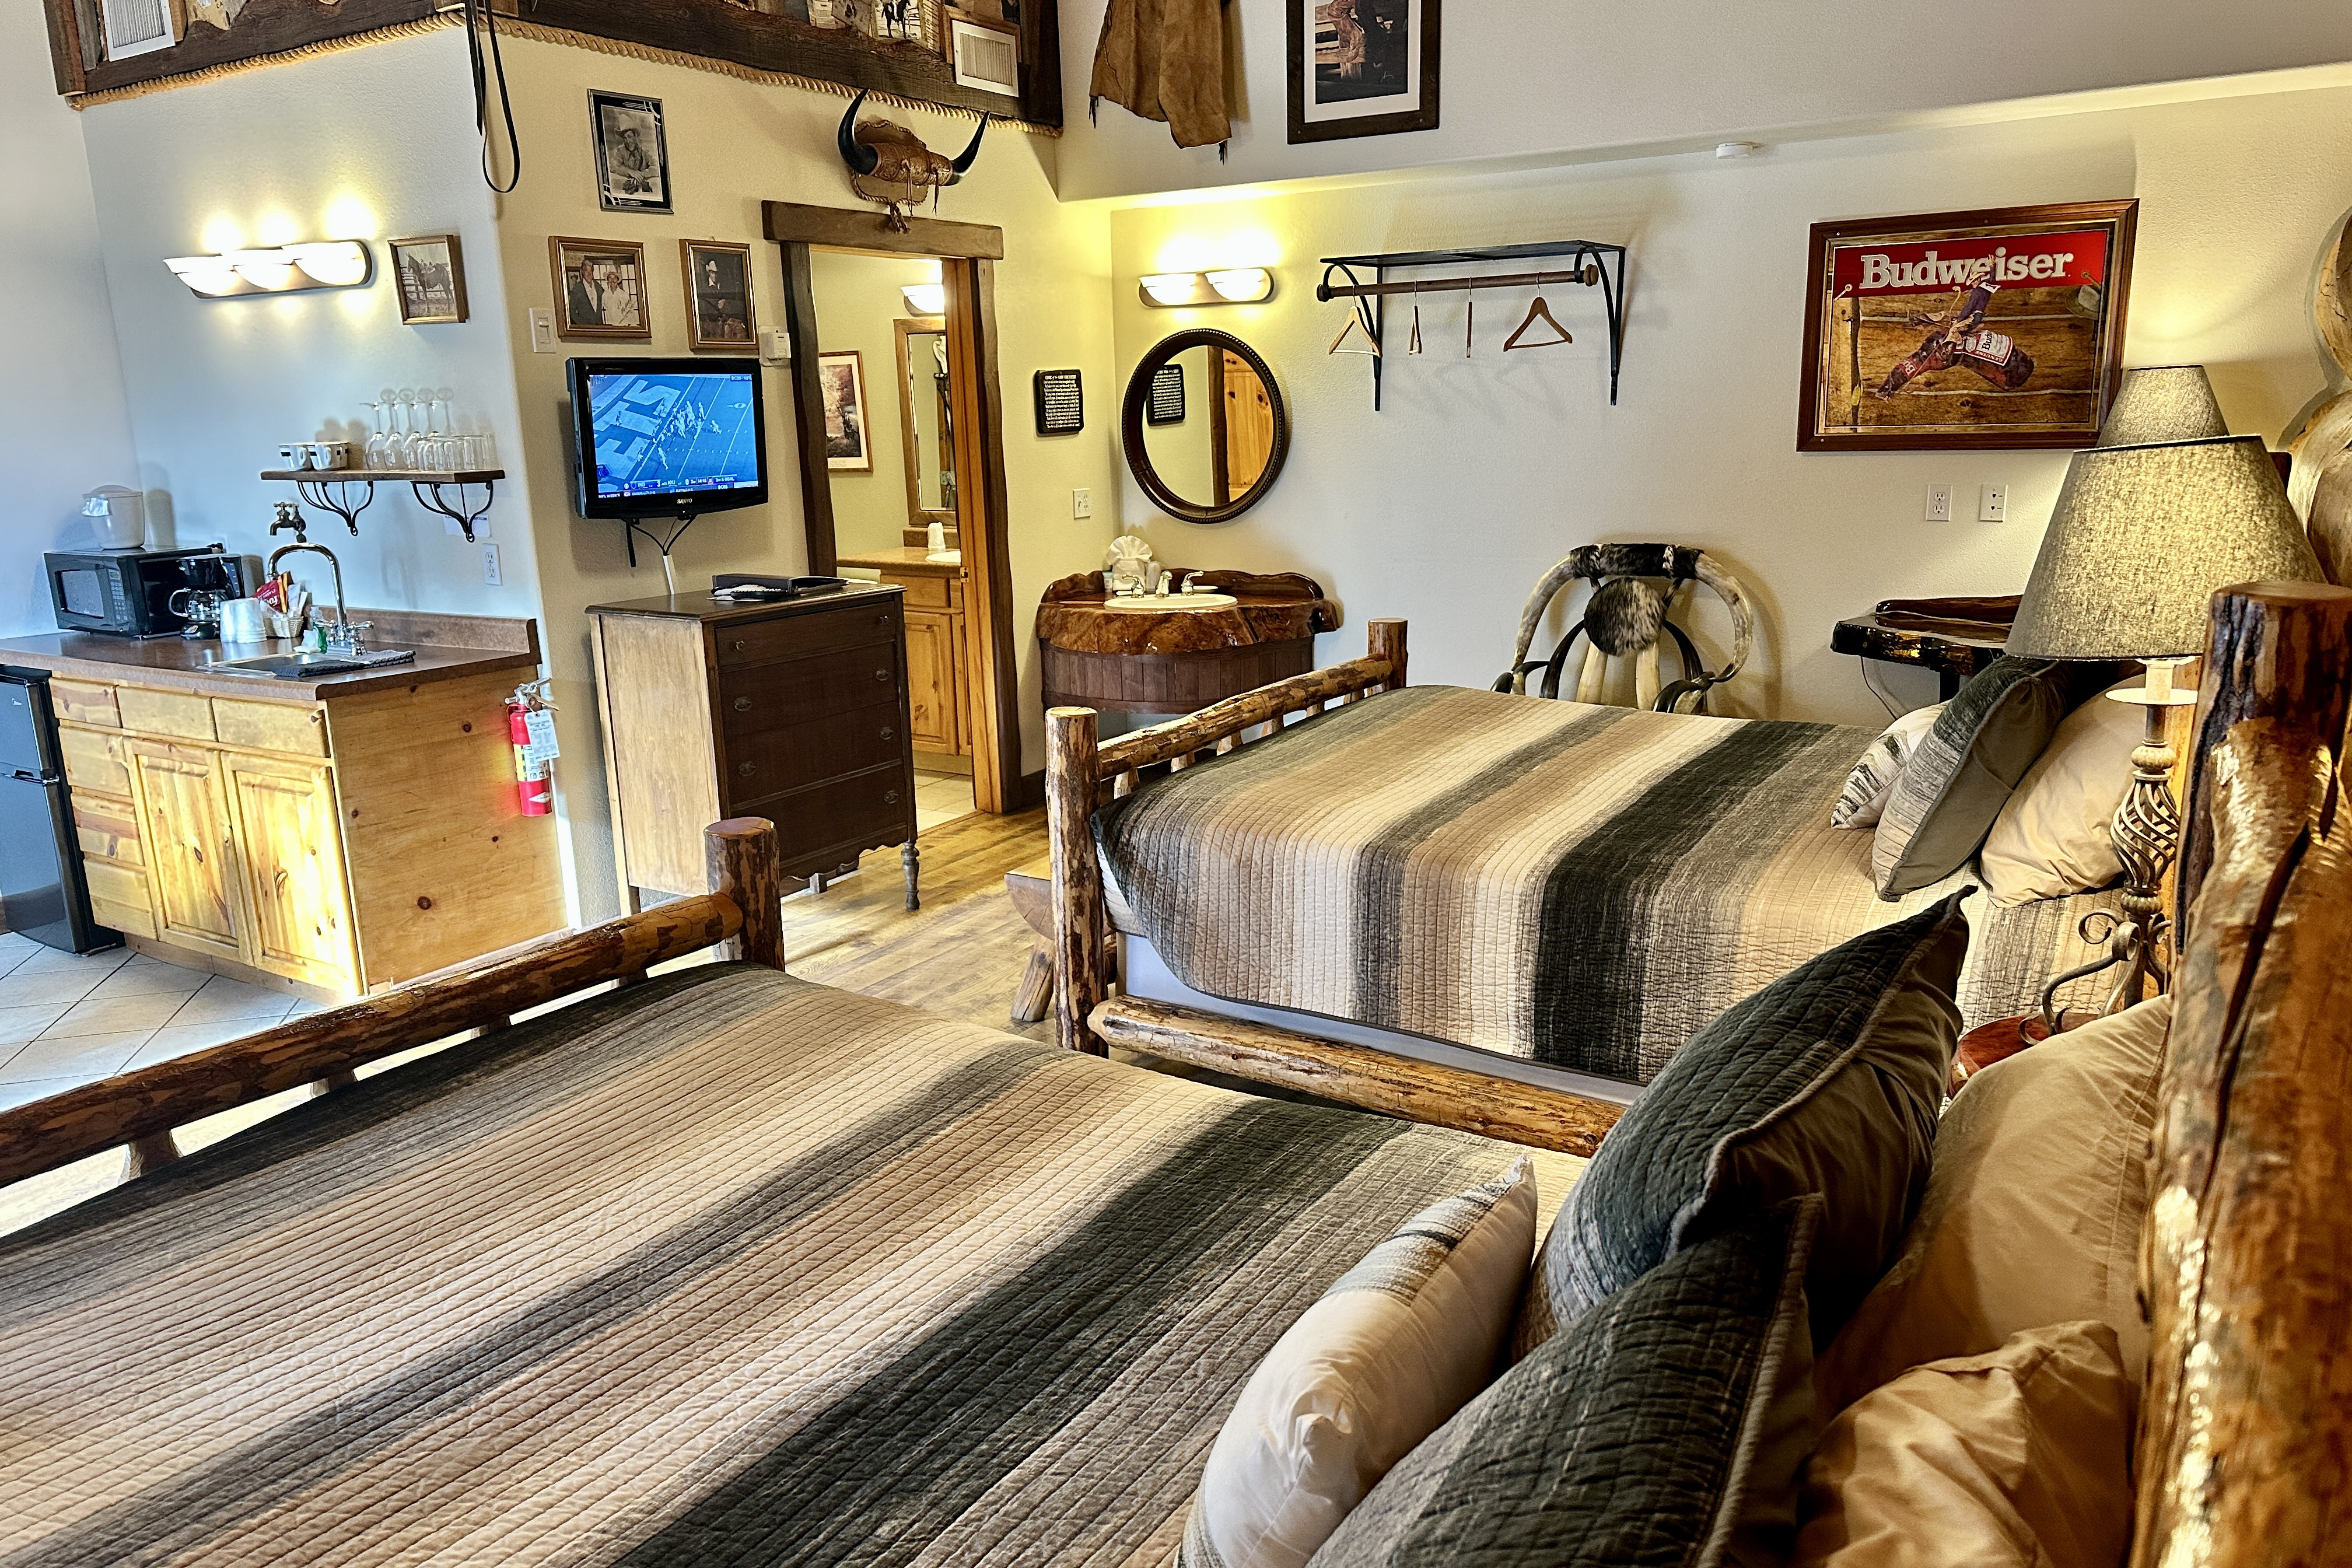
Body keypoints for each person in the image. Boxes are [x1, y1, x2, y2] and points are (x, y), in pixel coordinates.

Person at [610, 124, 659, 198]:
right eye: (625, 138)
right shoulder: (621, 151)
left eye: (630, 137)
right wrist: (630, 172)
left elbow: (657, 167)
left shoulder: (645, 151)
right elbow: (613, 166)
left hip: (647, 193)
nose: (628, 142)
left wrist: (641, 174)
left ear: (636, 137)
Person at [566, 258, 604, 328]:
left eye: (591, 271)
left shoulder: (597, 286)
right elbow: (571, 310)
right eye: (587, 271)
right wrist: (581, 324)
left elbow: (606, 300)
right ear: (583, 272)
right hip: (586, 328)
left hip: (600, 326)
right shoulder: (578, 288)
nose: (589, 274)